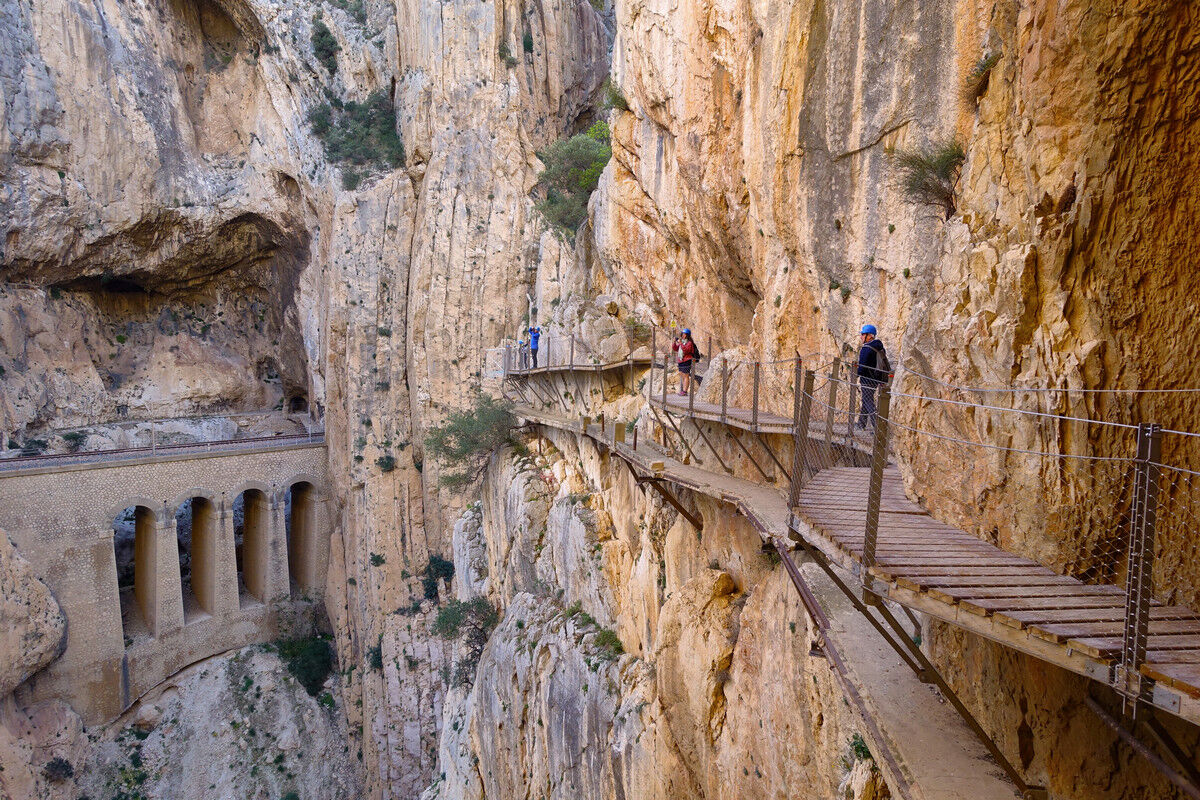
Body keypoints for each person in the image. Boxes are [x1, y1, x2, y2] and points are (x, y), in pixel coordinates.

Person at [856, 324, 889, 428]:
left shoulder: (866, 348)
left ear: (869, 336)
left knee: (868, 401)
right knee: (866, 399)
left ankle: (877, 427)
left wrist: (856, 373)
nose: (861, 337)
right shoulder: (880, 348)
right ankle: (861, 424)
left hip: (866, 379)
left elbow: (862, 366)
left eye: (862, 334)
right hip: (876, 379)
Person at [671, 328, 700, 396]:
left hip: (687, 360)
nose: (683, 335)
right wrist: (674, 342)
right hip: (681, 360)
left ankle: (684, 391)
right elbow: (676, 348)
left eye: (684, 334)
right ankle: (683, 390)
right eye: (682, 334)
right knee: (682, 375)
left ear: (687, 335)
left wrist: (681, 343)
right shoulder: (683, 342)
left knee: (686, 376)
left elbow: (686, 350)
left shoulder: (689, 343)